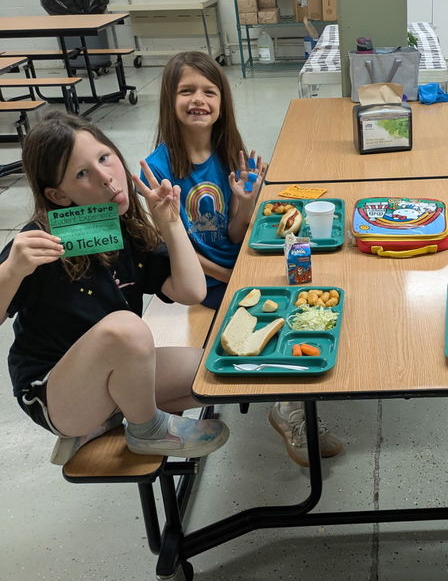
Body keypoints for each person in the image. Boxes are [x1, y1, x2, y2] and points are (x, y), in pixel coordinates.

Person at [143, 51, 342, 467]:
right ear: (169, 100)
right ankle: (289, 409)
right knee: (281, 316)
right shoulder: (158, 169)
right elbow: (177, 250)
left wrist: (246, 202)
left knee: (312, 284)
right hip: (206, 281)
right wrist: (231, 275)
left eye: (209, 91)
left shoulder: (228, 152)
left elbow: (235, 233)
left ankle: (293, 398)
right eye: (186, 91)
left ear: (222, 102)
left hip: (242, 264)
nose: (198, 100)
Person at [0, 111, 230, 465]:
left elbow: (192, 292)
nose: (106, 177)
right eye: (82, 174)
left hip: (116, 374)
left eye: (105, 158)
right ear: (58, 195)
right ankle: (146, 429)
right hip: (56, 393)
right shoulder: (41, 241)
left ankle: (111, 418)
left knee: (216, 373)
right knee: (126, 327)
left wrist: (170, 224)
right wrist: (12, 270)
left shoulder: (123, 228)